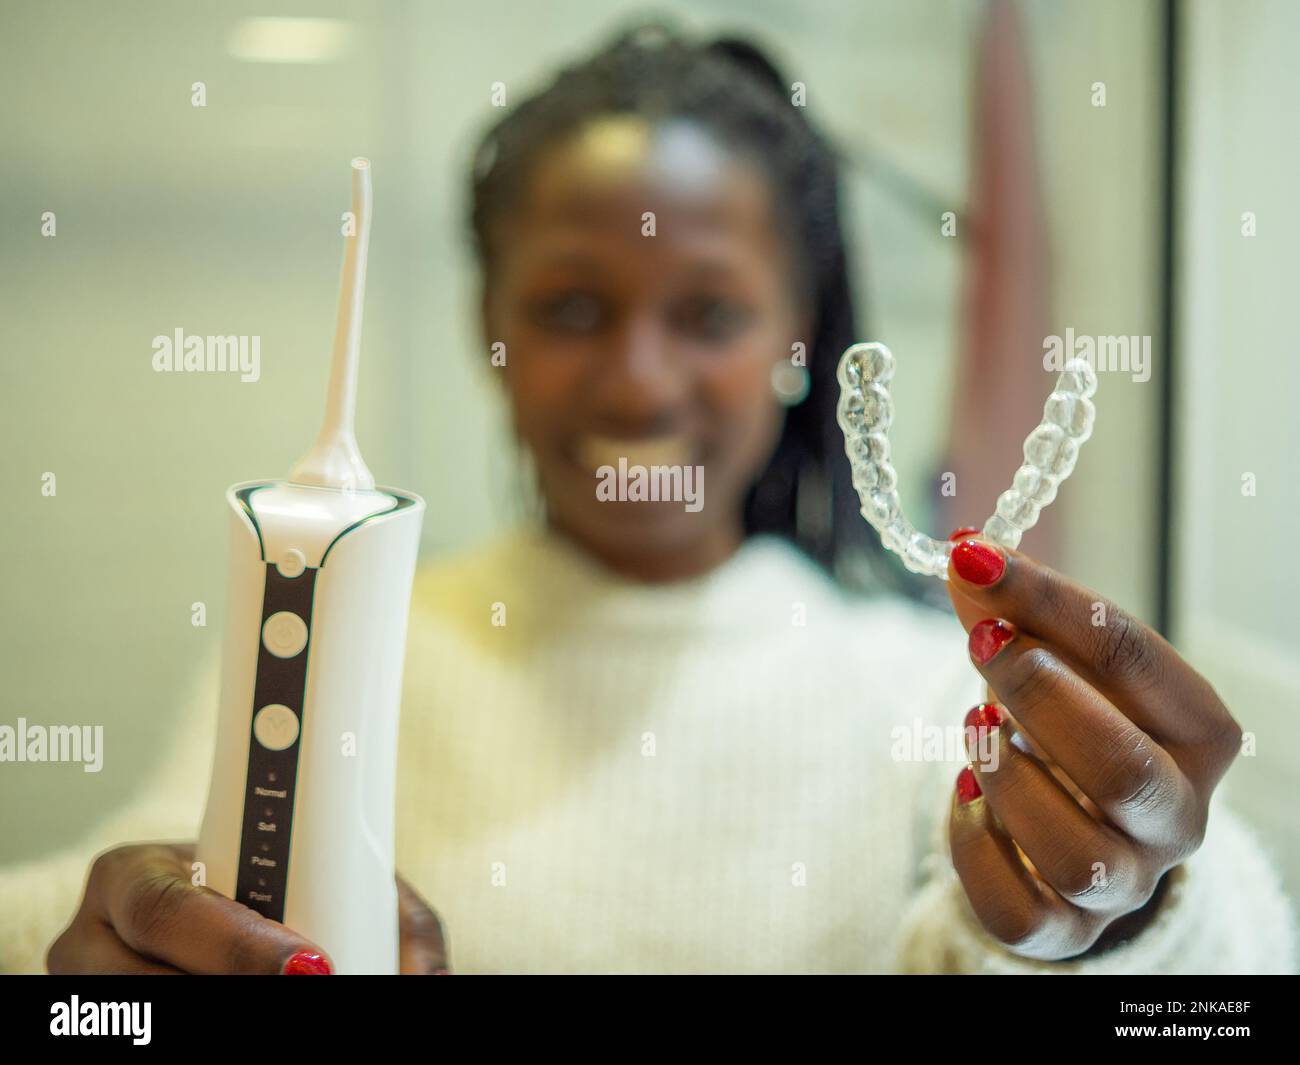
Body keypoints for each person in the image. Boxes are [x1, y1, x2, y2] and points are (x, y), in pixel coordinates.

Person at [4, 24, 1293, 975]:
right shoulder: (337, 640)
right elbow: (71, 934)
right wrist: (108, 988)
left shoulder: (925, 698)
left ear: (800, 343)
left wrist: (1139, 910)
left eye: (711, 315)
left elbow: (1226, 986)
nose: (636, 380)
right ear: (485, 325)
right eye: (569, 309)